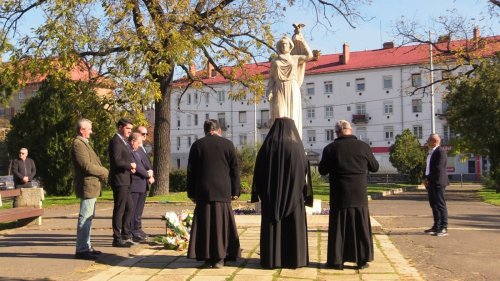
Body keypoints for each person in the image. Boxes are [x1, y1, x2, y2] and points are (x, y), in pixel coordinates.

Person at [251, 118, 313, 269]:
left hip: (271, 198)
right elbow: (304, 172)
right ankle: (295, 259)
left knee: (273, 227)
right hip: (294, 197)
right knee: (293, 227)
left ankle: (272, 259)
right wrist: (302, 191)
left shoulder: (266, 148)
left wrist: (262, 192)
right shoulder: (297, 148)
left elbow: (258, 172)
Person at [318, 120, 379, 270]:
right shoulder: (363, 147)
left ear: (337, 132)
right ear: (350, 130)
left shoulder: (330, 149)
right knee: (360, 226)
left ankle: (337, 261)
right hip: (359, 193)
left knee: (339, 228)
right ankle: (362, 260)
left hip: (340, 194)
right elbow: (375, 167)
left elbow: (322, 170)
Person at [186, 119, 241, 268]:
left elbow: (191, 172)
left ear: (204, 131)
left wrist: (191, 192)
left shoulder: (197, 145)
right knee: (222, 224)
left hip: (203, 190)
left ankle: (207, 257)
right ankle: (221, 257)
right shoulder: (228, 144)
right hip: (223, 190)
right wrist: (236, 190)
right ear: (219, 130)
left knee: (205, 224)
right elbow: (234, 169)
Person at [71, 119, 109, 260]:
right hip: (87, 186)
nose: (91, 132)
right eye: (89, 129)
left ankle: (86, 246)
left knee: (88, 218)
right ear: (82, 130)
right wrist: (104, 171)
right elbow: (86, 165)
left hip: (91, 186)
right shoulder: (78, 144)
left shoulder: (83, 143)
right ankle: (81, 249)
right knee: (85, 218)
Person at [267, 30, 312, 139]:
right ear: (279, 47)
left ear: (290, 46)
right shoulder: (274, 61)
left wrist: (302, 39)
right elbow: (272, 78)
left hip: (292, 87)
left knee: (292, 115)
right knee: (280, 114)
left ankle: (293, 140)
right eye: (281, 44)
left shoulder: (295, 58)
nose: (283, 46)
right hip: (279, 88)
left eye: (286, 44)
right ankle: (280, 139)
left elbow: (309, 56)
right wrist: (269, 91)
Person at [109, 118, 137, 248]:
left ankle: (126, 234)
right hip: (119, 180)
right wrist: (129, 165)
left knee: (130, 207)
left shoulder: (123, 141)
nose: (129, 132)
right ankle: (117, 238)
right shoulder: (115, 141)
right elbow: (116, 161)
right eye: (128, 129)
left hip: (126, 180)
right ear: (120, 127)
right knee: (119, 209)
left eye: (131, 129)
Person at [128, 132, 154, 242]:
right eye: (138, 143)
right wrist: (147, 174)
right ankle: (133, 231)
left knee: (138, 211)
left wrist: (150, 172)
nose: (139, 145)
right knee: (133, 210)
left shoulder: (138, 150)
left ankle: (137, 229)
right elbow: (137, 167)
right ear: (132, 141)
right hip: (135, 184)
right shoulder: (129, 151)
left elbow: (144, 164)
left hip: (143, 184)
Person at [423, 133, 449, 237]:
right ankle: (436, 226)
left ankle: (443, 227)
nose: (427, 142)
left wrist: (428, 178)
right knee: (433, 204)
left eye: (429, 140)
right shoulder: (430, 153)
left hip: (438, 181)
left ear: (434, 141)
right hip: (431, 182)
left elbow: (438, 168)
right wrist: (424, 178)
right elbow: (427, 167)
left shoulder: (440, 152)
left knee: (440, 204)